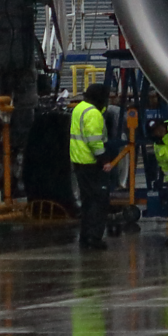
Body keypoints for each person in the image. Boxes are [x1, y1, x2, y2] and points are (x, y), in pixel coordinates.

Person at [70, 82, 113, 250]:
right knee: (99, 201)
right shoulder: (93, 113)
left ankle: (85, 236)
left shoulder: (79, 108)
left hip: (79, 161)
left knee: (87, 201)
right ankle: (95, 237)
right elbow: (94, 140)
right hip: (91, 162)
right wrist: (104, 159)